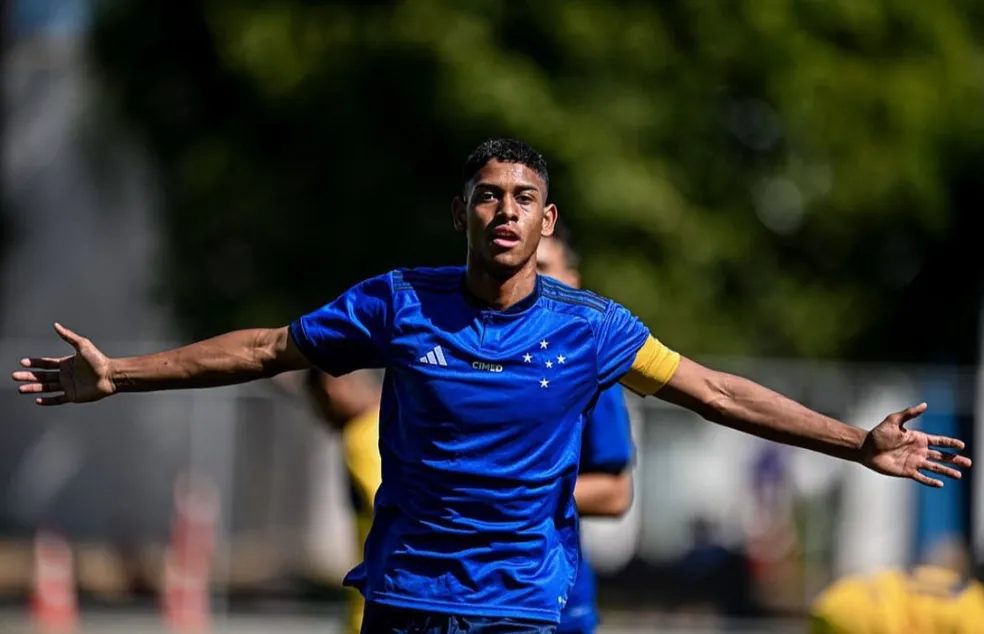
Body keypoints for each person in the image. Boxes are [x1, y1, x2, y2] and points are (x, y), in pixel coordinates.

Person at [12, 138, 971, 633]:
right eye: (488, 196)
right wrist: (120, 375)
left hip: (520, 608)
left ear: (546, 222)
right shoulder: (398, 303)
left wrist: (857, 443)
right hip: (402, 599)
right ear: (463, 212)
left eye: (523, 199)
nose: (505, 212)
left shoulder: (595, 330)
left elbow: (717, 392)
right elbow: (267, 349)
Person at [535, 225, 634, 633]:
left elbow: (616, 492)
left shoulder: (588, 366)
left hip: (556, 603)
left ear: (572, 280)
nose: (531, 281)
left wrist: (515, 489)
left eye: (543, 268)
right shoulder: (471, 352)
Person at [304, 369, 382, 634]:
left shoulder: (362, 436)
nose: (320, 415)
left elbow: (387, 509)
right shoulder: (400, 426)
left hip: (377, 609)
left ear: (331, 390)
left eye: (316, 401)